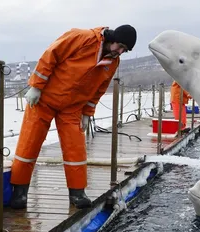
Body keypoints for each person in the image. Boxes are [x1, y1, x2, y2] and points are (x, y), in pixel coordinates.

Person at [10, 24, 137, 209]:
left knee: (76, 149)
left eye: (124, 50)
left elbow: (99, 90)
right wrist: (36, 86)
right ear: (112, 38)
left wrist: (87, 113)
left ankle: (77, 193)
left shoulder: (113, 62)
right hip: (44, 100)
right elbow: (50, 56)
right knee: (29, 145)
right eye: (120, 46)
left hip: (72, 108)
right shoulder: (82, 37)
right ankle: (19, 192)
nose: (120, 51)